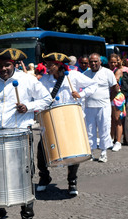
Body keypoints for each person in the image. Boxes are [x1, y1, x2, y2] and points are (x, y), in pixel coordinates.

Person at [0, 48, 52, 219]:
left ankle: (27, 217)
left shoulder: (27, 80)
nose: (3, 69)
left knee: (24, 173)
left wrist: (29, 106)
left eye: (7, 65)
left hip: (21, 134)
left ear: (14, 64)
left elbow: (47, 99)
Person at [38, 52, 98, 195]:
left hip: (71, 118)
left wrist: (81, 94)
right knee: (41, 150)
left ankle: (72, 180)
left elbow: (93, 85)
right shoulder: (44, 80)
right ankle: (44, 178)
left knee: (73, 151)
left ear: (58, 65)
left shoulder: (73, 76)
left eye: (50, 65)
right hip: (51, 119)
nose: (47, 67)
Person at [83, 53, 118, 162]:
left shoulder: (107, 73)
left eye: (95, 61)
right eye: (91, 62)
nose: (93, 63)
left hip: (104, 106)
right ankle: (91, 152)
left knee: (104, 129)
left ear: (100, 62)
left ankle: (103, 152)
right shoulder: (85, 74)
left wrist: (108, 100)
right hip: (89, 107)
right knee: (89, 130)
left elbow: (115, 88)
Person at [108, 53, 128, 152]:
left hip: (117, 97)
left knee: (117, 120)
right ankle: (111, 139)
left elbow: (115, 86)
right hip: (110, 96)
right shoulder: (109, 71)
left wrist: (111, 97)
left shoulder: (118, 71)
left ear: (117, 62)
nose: (113, 64)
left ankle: (118, 142)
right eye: (111, 62)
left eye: (114, 62)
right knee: (112, 120)